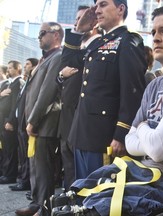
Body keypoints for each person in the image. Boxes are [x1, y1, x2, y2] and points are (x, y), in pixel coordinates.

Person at [51, 5, 163, 215]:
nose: (155, 38)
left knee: (88, 211)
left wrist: (143, 128)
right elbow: (133, 142)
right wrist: (153, 137)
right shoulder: (154, 84)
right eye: (153, 32)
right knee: (67, 198)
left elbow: (157, 148)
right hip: (140, 172)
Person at [62, 0, 147, 180]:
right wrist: (79, 30)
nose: (96, 10)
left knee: (99, 197)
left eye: (103, 5)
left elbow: (132, 92)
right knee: (82, 195)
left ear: (120, 9)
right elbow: (69, 63)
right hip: (83, 133)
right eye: (96, 6)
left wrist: (121, 134)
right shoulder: (98, 43)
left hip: (104, 138)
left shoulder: (129, 40)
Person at [15, 22, 64, 215]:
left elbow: (47, 92)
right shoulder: (44, 59)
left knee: (44, 169)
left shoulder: (58, 56)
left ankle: (44, 209)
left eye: (43, 33)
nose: (39, 36)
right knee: (35, 166)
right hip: (35, 123)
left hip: (45, 122)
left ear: (56, 35)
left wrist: (33, 120)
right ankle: (37, 204)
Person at [56, 5, 103, 193]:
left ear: (92, 22)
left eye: (81, 19)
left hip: (84, 119)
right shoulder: (78, 48)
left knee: (82, 178)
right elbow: (61, 73)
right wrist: (61, 76)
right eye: (76, 19)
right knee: (69, 171)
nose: (77, 22)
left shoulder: (100, 46)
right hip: (68, 120)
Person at [8, 58, 38, 192]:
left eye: (27, 64)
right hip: (20, 123)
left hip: (27, 122)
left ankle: (26, 182)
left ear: (34, 67)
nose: (25, 66)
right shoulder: (26, 82)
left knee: (27, 154)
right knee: (22, 154)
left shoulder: (33, 82)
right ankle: (23, 179)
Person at [0, 60, 24, 184]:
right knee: (6, 149)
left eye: (10, 68)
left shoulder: (18, 82)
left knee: (11, 150)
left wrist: (10, 121)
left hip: (9, 122)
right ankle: (6, 173)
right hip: (4, 121)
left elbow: (16, 104)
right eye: (8, 67)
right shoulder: (10, 83)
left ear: (17, 69)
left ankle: (10, 175)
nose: (8, 70)